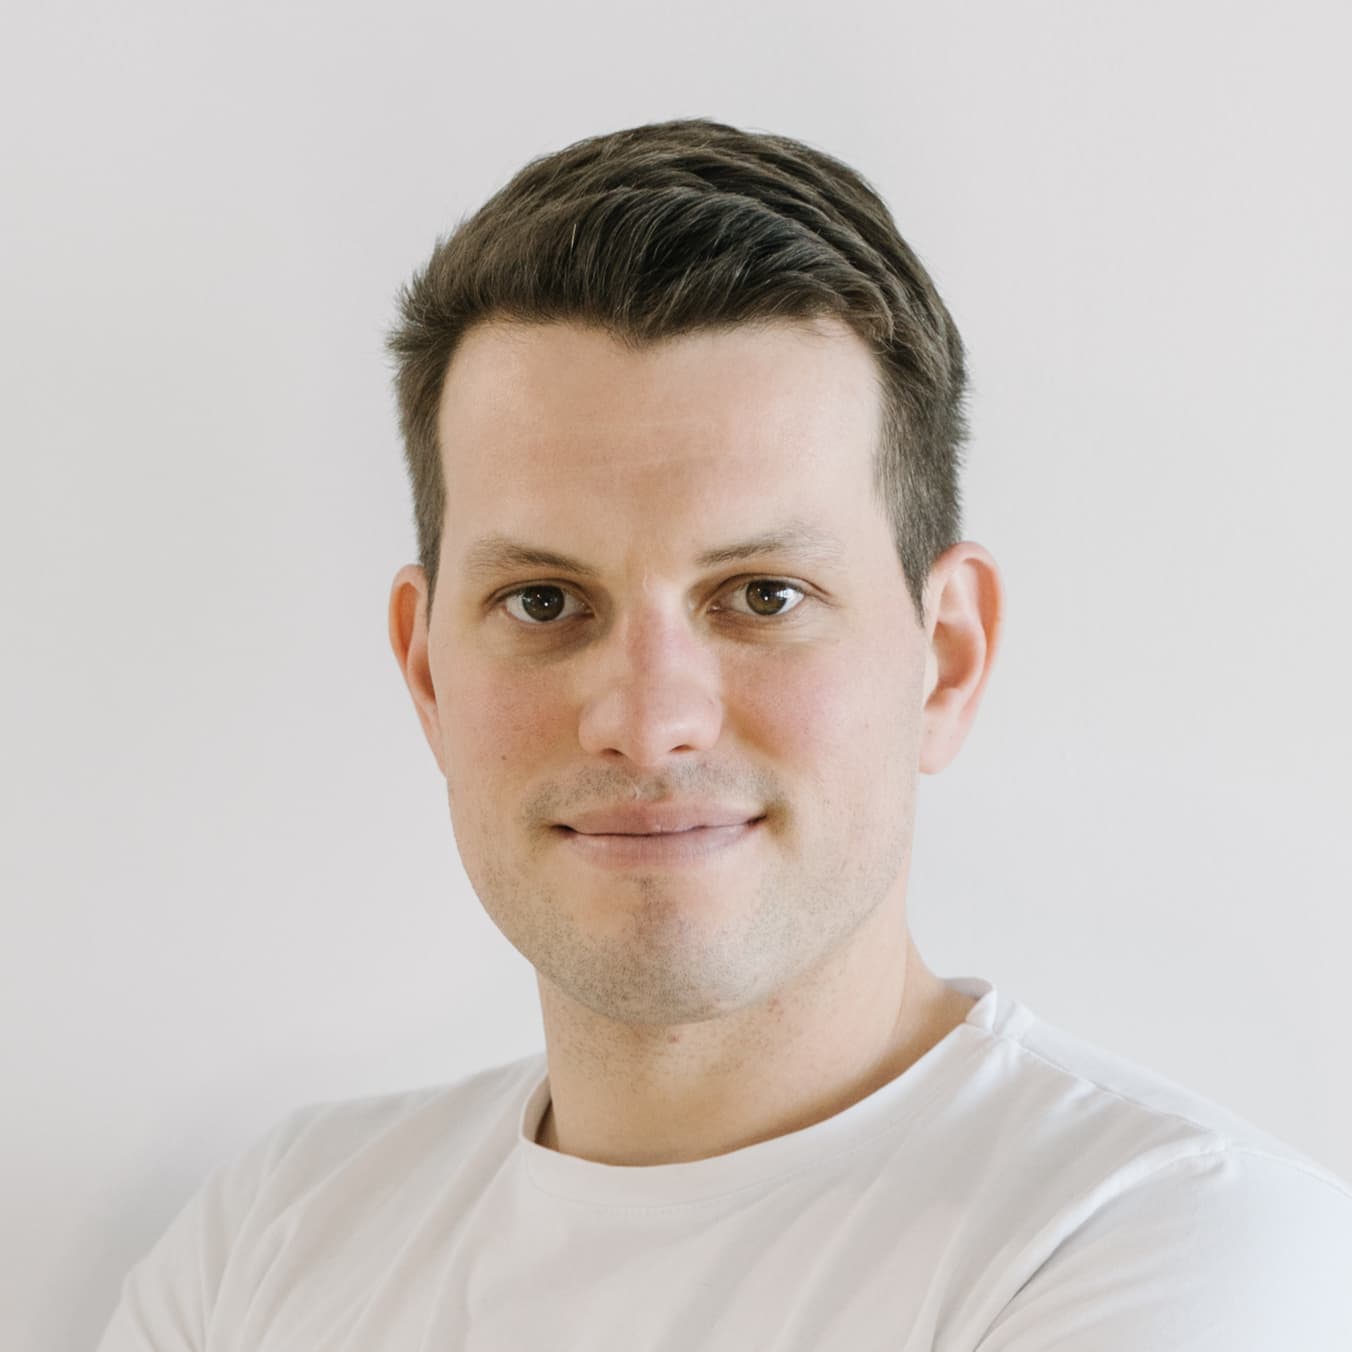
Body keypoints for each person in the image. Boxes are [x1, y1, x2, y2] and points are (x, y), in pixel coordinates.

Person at [97, 117, 1352, 1350]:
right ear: (427, 672)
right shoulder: (270, 1236)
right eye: (543, 601)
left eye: (762, 595)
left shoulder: (1174, 1244)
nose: (647, 720)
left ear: (947, 657)